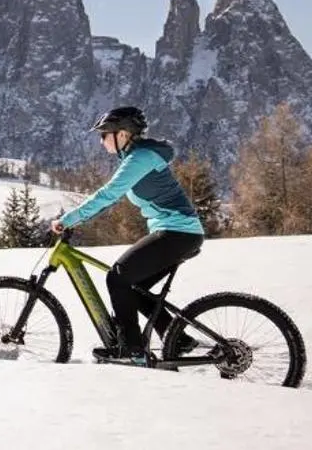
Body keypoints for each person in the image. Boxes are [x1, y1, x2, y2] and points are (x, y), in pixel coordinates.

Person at [52, 105, 206, 362]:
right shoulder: (135, 157)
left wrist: (68, 220)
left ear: (122, 134)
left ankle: (131, 350)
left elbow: (108, 194)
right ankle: (177, 339)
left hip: (178, 233)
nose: (101, 141)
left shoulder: (140, 158)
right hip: (175, 232)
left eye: (104, 135)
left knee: (118, 277)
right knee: (134, 289)